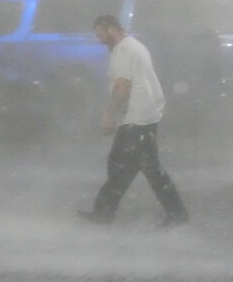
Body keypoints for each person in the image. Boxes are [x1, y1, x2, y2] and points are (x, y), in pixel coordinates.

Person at [78, 15, 189, 227]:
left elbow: (122, 86)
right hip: (141, 117)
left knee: (147, 169)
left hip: (137, 119)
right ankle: (103, 212)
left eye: (101, 35)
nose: (100, 41)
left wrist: (108, 115)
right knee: (123, 164)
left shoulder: (123, 50)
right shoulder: (133, 45)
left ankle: (177, 214)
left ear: (111, 30)